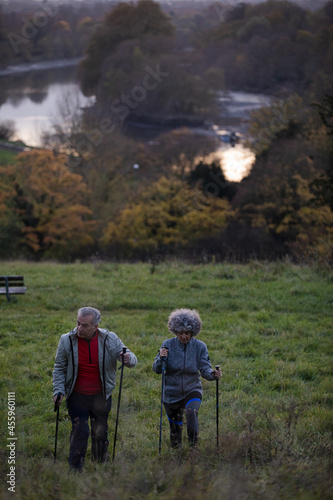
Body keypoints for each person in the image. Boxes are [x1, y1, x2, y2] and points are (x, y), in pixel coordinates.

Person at [52, 306, 137, 471]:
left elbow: (133, 359)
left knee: (100, 432)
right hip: (77, 395)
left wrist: (127, 358)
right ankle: (75, 469)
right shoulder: (66, 340)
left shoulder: (109, 339)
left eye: (84, 325)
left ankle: (100, 466)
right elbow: (59, 368)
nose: (79, 328)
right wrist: (58, 391)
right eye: (78, 323)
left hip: (101, 395)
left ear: (95, 327)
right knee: (80, 431)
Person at [153, 308, 221, 449]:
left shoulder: (200, 347)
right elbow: (157, 369)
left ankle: (193, 449)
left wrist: (213, 374)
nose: (184, 336)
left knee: (191, 412)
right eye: (180, 333)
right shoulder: (167, 345)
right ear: (175, 331)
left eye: (187, 333)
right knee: (175, 434)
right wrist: (161, 358)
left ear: (193, 332)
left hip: (192, 388)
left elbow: (205, 368)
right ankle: (177, 457)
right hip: (171, 393)